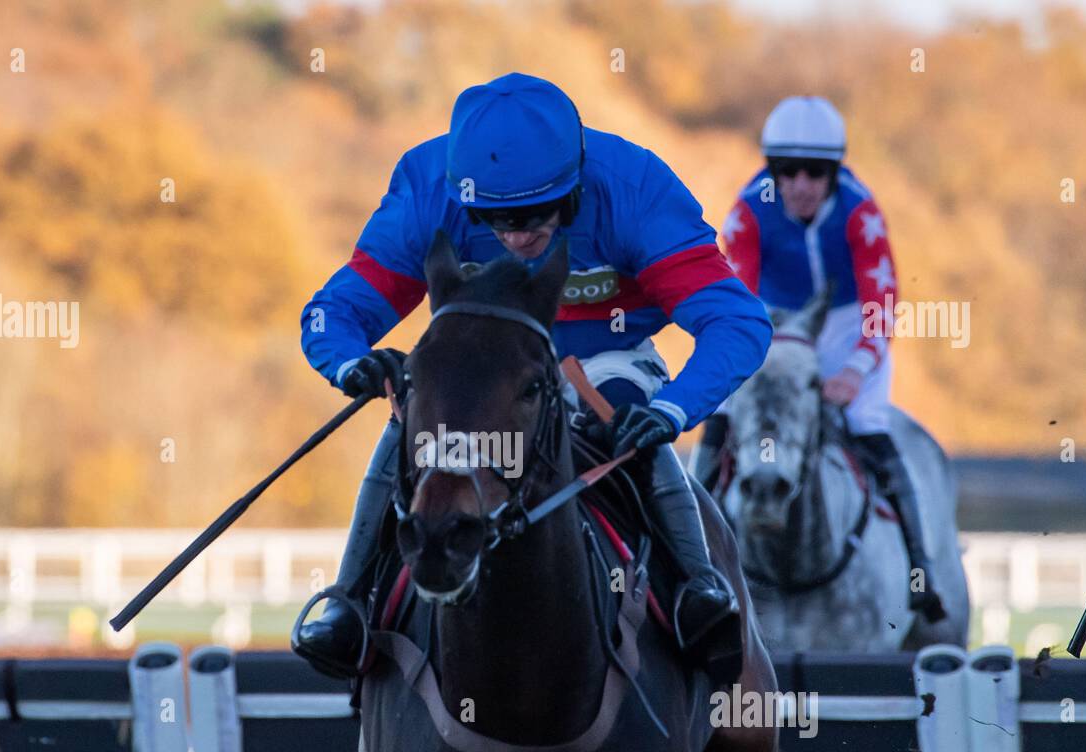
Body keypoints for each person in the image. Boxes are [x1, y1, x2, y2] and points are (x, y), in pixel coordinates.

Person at [295, 72, 773, 678]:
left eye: (534, 214)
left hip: (602, 359)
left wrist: (672, 410)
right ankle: (348, 601)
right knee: (410, 414)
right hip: (481, 371)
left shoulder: (634, 188)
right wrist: (352, 362)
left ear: (575, 186)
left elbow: (738, 320)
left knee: (624, 415)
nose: (516, 236)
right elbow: (333, 312)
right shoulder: (427, 188)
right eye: (494, 219)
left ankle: (698, 590)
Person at [704, 95, 946, 621]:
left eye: (815, 172)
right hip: (770, 321)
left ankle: (919, 568)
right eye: (787, 171)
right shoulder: (748, 211)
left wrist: (856, 371)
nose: (801, 185)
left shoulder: (862, 212)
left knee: (866, 421)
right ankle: (690, 562)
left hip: (844, 321)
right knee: (722, 415)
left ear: (835, 173)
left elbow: (882, 301)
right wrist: (745, 366)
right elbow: (735, 295)